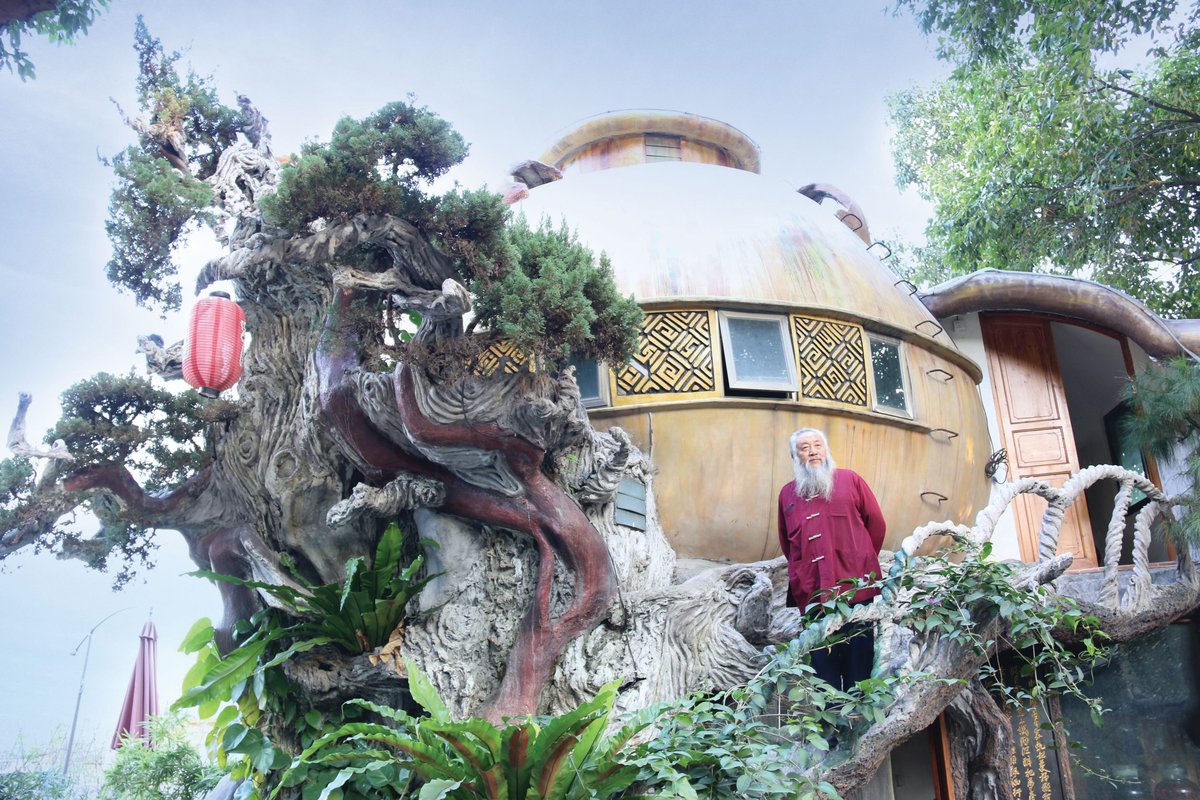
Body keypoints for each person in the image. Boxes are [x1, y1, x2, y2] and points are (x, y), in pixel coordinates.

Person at [777, 428, 886, 691]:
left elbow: (877, 525)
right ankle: (830, 728)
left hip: (855, 590)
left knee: (859, 662)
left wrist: (859, 559)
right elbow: (787, 543)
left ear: (826, 450)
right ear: (795, 456)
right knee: (822, 667)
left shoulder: (850, 480)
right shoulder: (787, 494)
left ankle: (858, 722)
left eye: (817, 445)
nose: (813, 451)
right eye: (804, 447)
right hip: (813, 594)